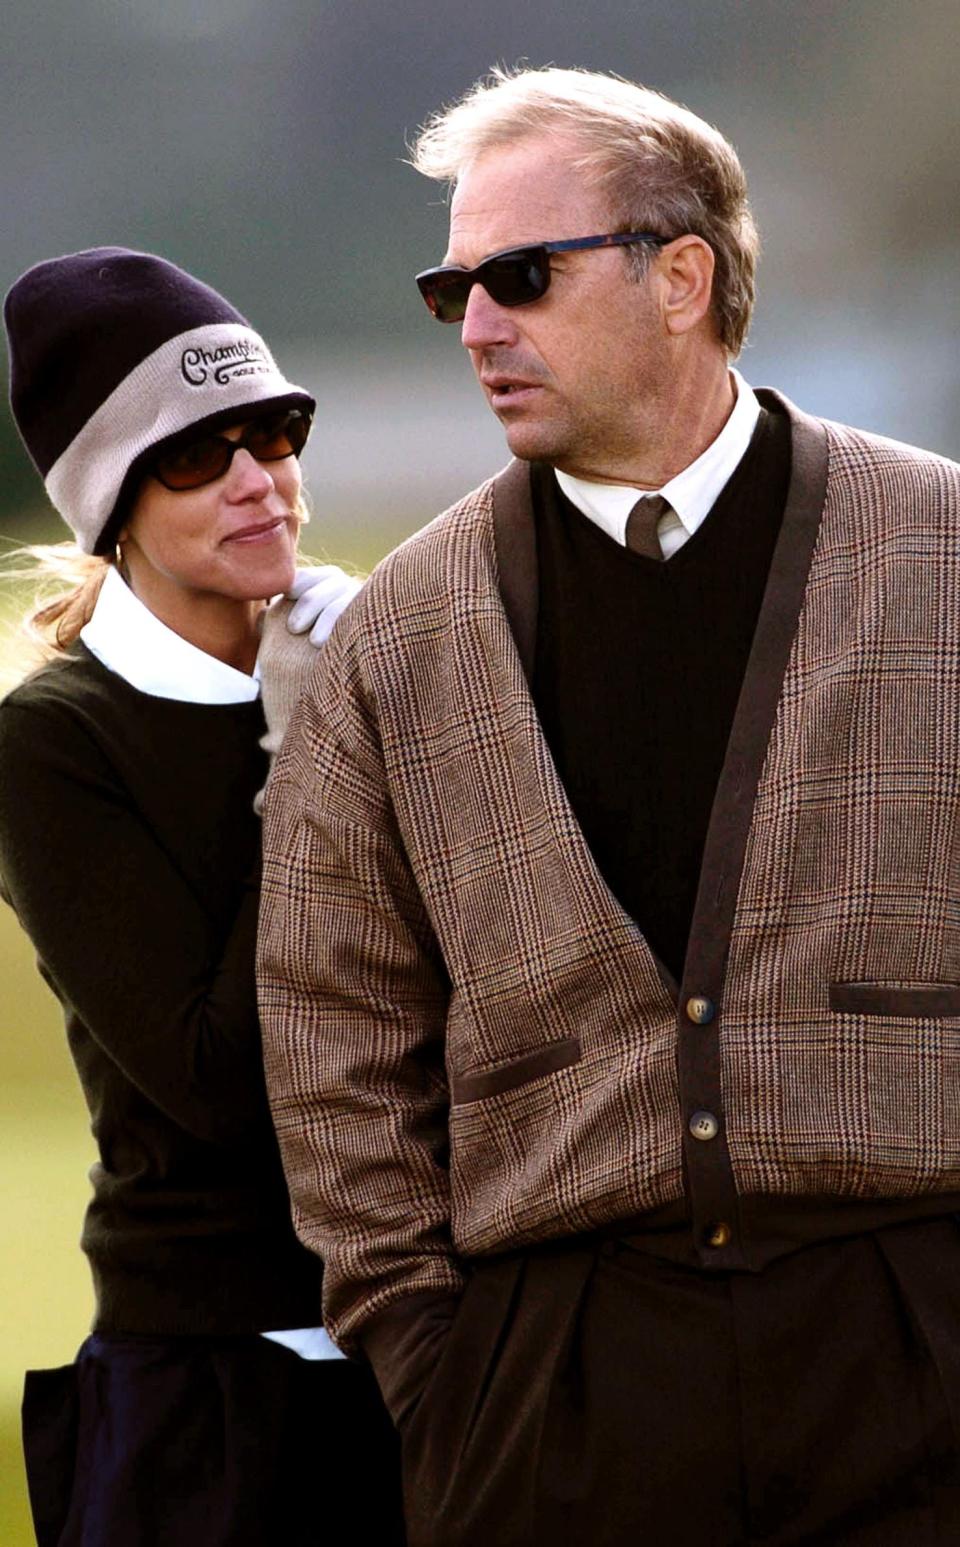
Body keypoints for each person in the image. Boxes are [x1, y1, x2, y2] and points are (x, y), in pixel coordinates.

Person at [256, 65, 960, 1547]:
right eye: (456, 293)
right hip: (553, 1403)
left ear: (682, 276)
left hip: (914, 1349)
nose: (481, 329)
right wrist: (441, 1378)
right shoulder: (398, 636)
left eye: (521, 277)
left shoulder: (944, 558)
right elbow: (331, 1038)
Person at [0, 247, 403, 1547]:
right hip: (213, 1399)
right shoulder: (53, 743)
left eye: (273, 431)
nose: (257, 479)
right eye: (195, 455)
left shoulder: (372, 670)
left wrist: (340, 708)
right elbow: (221, 1077)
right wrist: (310, 755)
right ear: (112, 505)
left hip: (435, 1355)